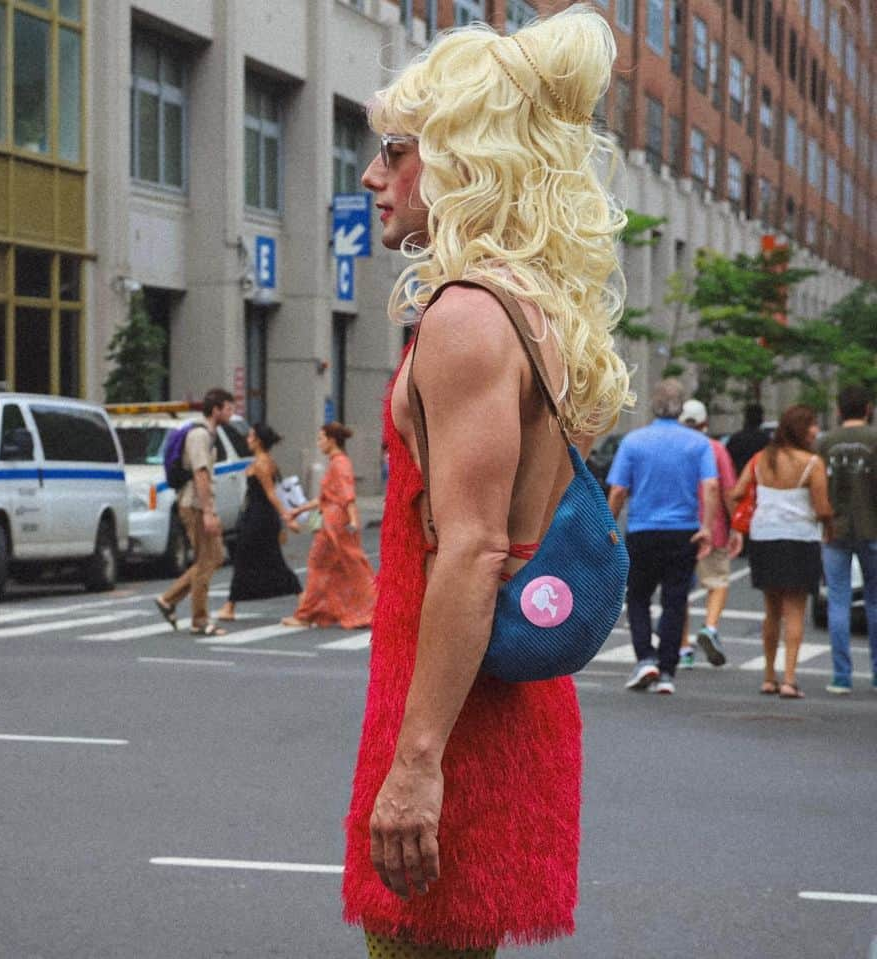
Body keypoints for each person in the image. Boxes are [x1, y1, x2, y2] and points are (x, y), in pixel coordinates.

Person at [344, 8, 633, 955]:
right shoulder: (530, 308)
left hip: (452, 716)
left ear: (468, 159)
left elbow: (468, 552)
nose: (371, 174)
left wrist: (416, 762)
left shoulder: (468, 316)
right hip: (494, 694)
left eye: (395, 150)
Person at [607, 380, 717, 695]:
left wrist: (608, 526)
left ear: (652, 406)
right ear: (681, 408)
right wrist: (706, 526)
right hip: (683, 530)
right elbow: (710, 486)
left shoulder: (634, 441)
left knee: (638, 597)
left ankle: (645, 658)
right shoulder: (698, 444)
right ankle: (668, 670)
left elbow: (618, 491)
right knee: (675, 600)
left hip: (643, 529)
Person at [728, 405, 832, 699]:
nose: (815, 431)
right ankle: (789, 679)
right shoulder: (812, 463)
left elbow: (737, 492)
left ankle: (768, 676)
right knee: (796, 610)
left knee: (771, 610)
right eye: (811, 425)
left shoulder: (761, 459)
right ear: (800, 429)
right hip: (799, 539)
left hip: (765, 537)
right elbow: (823, 508)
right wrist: (827, 522)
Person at [154, 388, 235, 637]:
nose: (231, 414)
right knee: (205, 560)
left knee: (216, 556)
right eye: (228, 409)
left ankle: (168, 600)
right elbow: (201, 474)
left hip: (201, 503)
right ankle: (199, 620)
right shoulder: (199, 435)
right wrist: (208, 512)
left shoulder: (209, 434)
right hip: (194, 504)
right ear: (216, 410)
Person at [282, 423, 375, 630]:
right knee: (339, 566)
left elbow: (347, 495)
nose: (319, 442)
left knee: (333, 566)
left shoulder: (340, 463)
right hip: (334, 521)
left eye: (321, 438)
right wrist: (298, 511)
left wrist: (353, 520)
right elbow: (325, 498)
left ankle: (307, 614)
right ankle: (314, 612)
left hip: (336, 523)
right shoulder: (337, 463)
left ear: (332, 440)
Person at [815, 385, 877, 694]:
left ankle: (842, 675)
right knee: (875, 601)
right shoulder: (874, 439)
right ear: (867, 408)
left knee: (837, 601)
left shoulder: (825, 443)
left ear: (839, 410)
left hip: (833, 529)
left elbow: (816, 487)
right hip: (872, 527)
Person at [215, 424, 301, 622]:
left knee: (250, 557)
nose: (248, 438)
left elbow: (272, 494)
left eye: (252, 436)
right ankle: (230, 605)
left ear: (259, 441)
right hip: (256, 516)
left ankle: (230, 605)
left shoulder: (262, 463)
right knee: (257, 558)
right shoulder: (262, 461)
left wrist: (287, 517)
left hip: (260, 518)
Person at [677, 399, 737, 669]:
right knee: (718, 581)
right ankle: (710, 627)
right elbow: (727, 491)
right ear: (705, 423)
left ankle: (683, 648)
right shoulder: (715, 449)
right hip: (712, 529)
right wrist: (737, 526)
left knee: (679, 591)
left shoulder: (672, 447)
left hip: (677, 527)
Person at [726, 402, 771, 476]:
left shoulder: (736, 439)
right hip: (759, 480)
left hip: (739, 479)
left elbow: (728, 461)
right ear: (761, 419)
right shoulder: (766, 440)